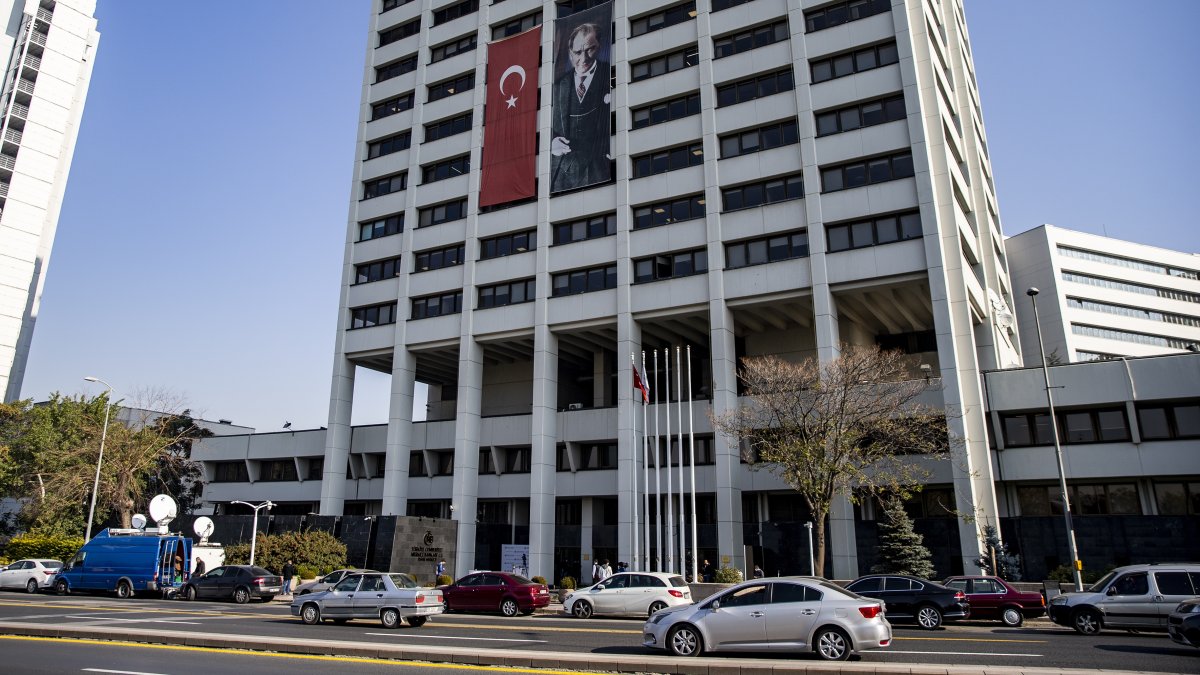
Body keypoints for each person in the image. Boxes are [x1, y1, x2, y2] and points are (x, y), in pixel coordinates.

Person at [551, 21, 611, 192]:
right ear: (570, 53)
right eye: (577, 52)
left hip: (601, 171)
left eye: (589, 49)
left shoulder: (610, 75)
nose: (583, 59)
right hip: (564, 176)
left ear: (599, 46)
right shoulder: (558, 87)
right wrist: (552, 142)